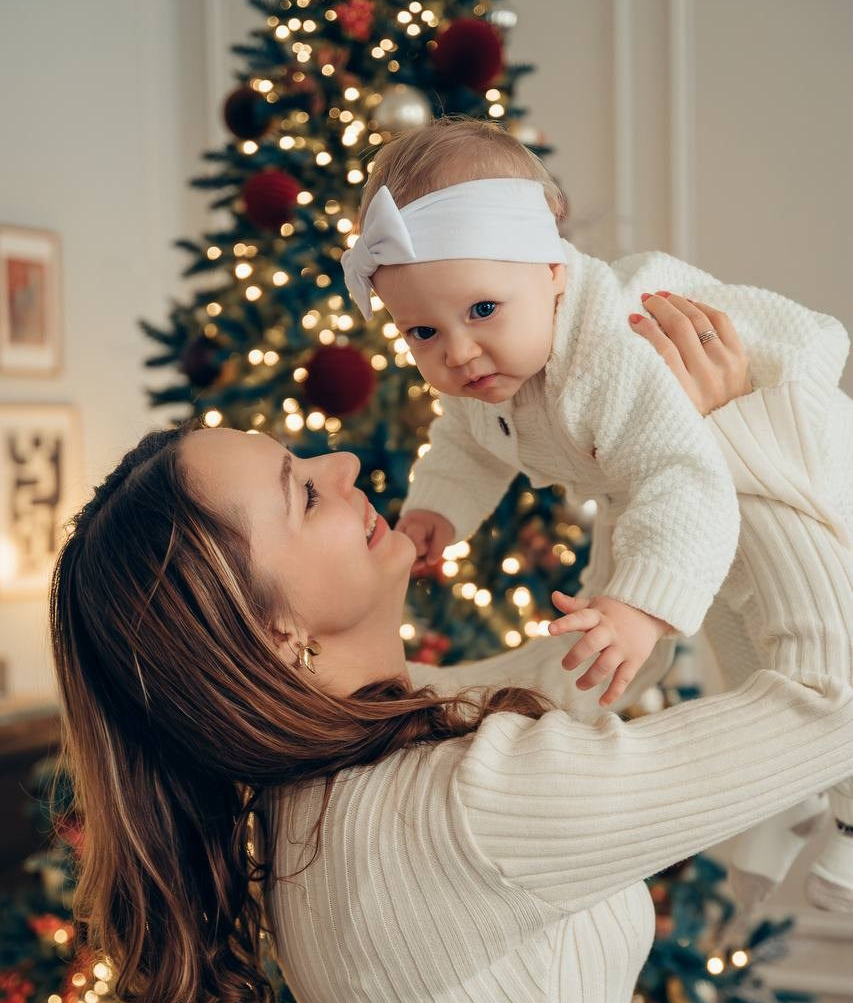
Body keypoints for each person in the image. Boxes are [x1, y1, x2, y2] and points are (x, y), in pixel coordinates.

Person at [51, 300, 852, 1003]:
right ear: (273, 634)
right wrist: (738, 430)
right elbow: (834, 704)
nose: (345, 462)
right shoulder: (457, 805)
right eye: (302, 492)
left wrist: (630, 429)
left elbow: (601, 656)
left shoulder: (346, 769)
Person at [342, 117, 853, 911]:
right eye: (422, 331)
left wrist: (638, 607)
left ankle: (850, 817)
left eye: (482, 309)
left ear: (551, 268)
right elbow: (468, 446)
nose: (458, 352)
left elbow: (683, 478)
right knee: (730, 635)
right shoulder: (490, 378)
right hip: (658, 488)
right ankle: (786, 803)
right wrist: (434, 515)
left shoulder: (611, 353)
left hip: (778, 457)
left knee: (813, 632)